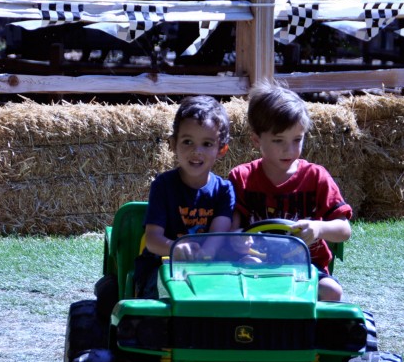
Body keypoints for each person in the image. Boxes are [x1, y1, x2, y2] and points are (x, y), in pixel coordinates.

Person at [229, 82, 352, 301]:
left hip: (306, 266)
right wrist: (237, 239)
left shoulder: (316, 176)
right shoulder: (242, 178)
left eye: (297, 140)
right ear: (256, 140)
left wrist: (318, 227)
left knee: (333, 291)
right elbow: (232, 230)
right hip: (255, 265)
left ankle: (314, 334)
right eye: (279, 141)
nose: (290, 150)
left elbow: (344, 230)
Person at [134, 95, 235, 297]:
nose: (196, 152)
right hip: (162, 266)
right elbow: (153, 240)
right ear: (173, 144)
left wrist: (205, 255)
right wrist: (175, 248)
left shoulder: (224, 190)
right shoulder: (163, 186)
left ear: (221, 149)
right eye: (188, 141)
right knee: (166, 293)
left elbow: (217, 237)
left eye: (207, 144)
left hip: (207, 268)